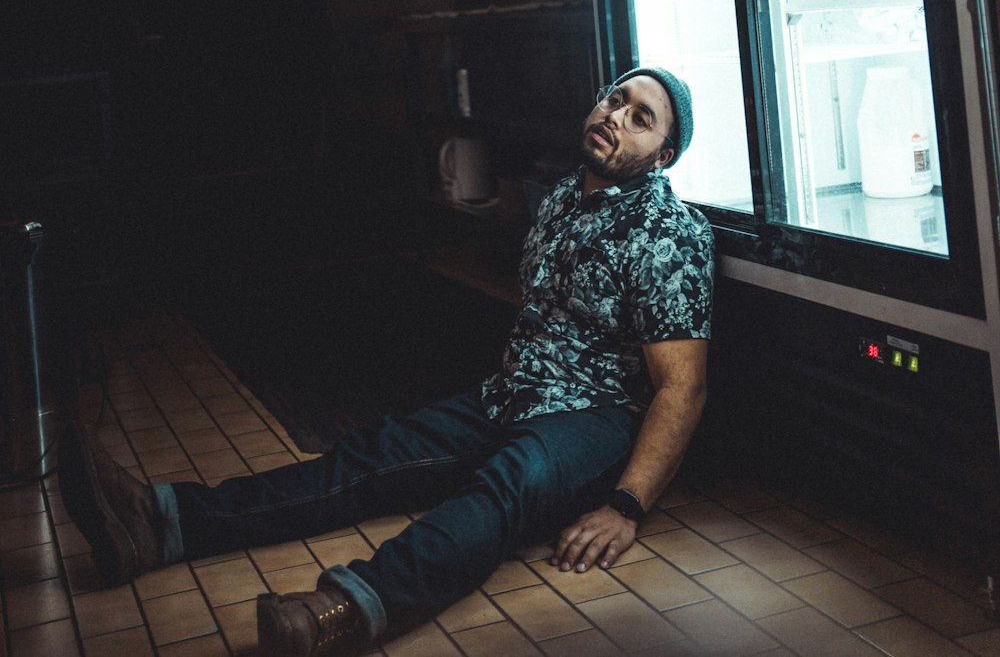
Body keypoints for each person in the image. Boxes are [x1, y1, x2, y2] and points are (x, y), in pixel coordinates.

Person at [59, 65, 714, 656]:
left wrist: (627, 506)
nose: (614, 116)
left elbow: (682, 388)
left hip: (593, 418)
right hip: (514, 392)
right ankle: (161, 523)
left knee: (504, 486)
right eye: (615, 98)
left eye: (640, 118)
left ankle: (344, 610)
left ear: (664, 155)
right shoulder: (567, 193)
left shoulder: (669, 235)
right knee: (371, 455)